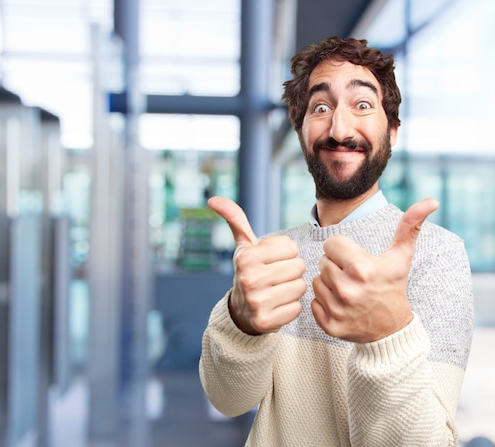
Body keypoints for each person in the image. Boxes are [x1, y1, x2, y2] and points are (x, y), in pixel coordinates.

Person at [199, 36, 474, 446]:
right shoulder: (272, 256)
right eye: (321, 107)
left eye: (362, 105)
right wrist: (239, 322)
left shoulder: (437, 254)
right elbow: (228, 399)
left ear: (393, 131)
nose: (339, 128)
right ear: (301, 131)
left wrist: (387, 335)